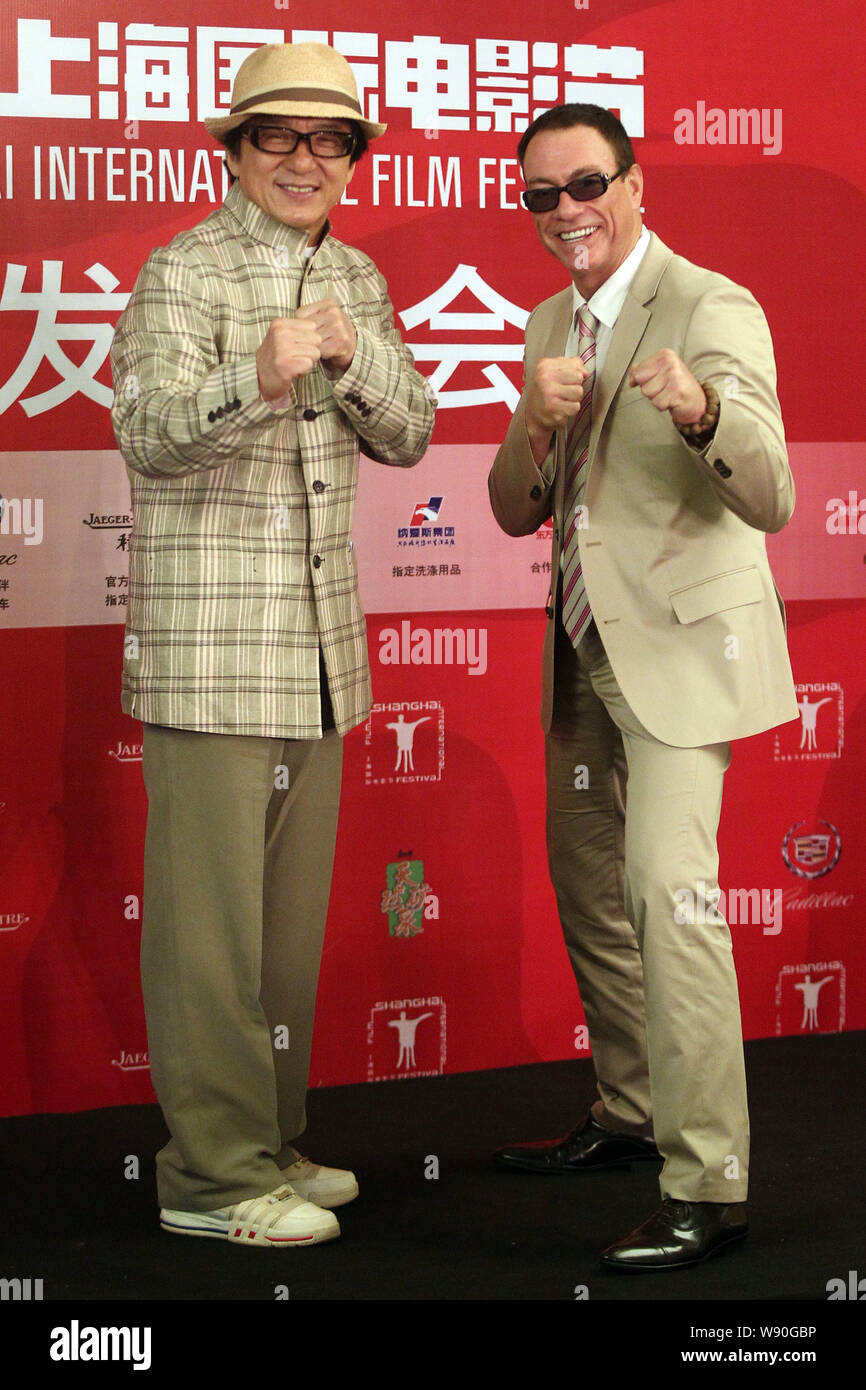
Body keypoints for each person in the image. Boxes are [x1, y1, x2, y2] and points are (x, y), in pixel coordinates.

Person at [110, 42, 435, 1249]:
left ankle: (268, 1140)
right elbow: (143, 431)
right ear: (234, 150)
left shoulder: (352, 274)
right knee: (209, 940)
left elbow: (410, 431)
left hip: (315, 658)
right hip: (210, 655)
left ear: (352, 160)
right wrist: (253, 377)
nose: (304, 160)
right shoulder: (181, 271)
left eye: (329, 141)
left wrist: (349, 361)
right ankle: (208, 1174)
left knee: (282, 937)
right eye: (277, 138)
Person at [488, 103, 797, 1271]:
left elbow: (765, 489)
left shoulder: (709, 304)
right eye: (540, 197)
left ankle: (708, 1179)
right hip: (582, 654)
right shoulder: (543, 324)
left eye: (585, 185)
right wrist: (531, 417)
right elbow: (514, 507)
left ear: (631, 184)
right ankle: (629, 1110)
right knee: (589, 890)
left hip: (678, 654)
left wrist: (701, 409)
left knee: (670, 896)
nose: (565, 211)